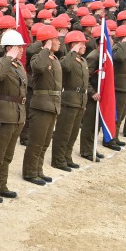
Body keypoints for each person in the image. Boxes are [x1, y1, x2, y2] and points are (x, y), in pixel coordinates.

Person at [0, 30, 28, 203]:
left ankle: (2, 185)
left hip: (17, 114)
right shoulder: (0, 63)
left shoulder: (18, 65)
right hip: (3, 114)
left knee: (7, 155)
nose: (22, 50)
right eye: (19, 47)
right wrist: (9, 56)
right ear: (9, 48)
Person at [23, 24, 62, 185]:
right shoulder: (38, 57)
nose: (59, 42)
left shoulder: (54, 58)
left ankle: (38, 170)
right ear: (48, 41)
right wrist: (45, 48)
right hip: (41, 104)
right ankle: (30, 172)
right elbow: (38, 67)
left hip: (52, 104)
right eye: (56, 39)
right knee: (37, 140)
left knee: (45, 141)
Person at [51, 31, 90, 171]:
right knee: (64, 132)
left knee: (73, 132)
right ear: (74, 45)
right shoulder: (66, 59)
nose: (85, 46)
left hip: (80, 100)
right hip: (69, 99)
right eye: (82, 44)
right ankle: (58, 159)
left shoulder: (83, 60)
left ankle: (67, 156)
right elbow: (65, 67)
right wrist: (72, 52)